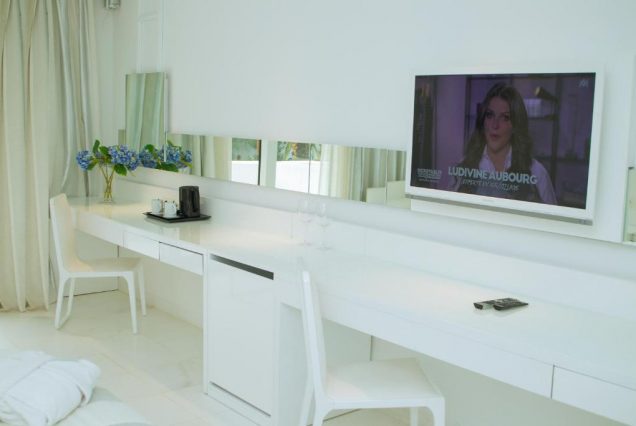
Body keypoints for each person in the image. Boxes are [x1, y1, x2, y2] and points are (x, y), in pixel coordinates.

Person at [450, 82, 557, 204]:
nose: (495, 125)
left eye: (505, 118)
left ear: (516, 125)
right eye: (490, 115)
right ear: (483, 120)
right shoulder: (464, 167)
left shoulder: (536, 173)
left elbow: (551, 216)